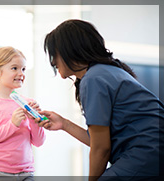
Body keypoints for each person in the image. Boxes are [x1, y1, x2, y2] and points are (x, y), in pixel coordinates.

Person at [36, 19, 164, 180]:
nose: (53, 61)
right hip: (151, 154)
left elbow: (101, 148)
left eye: (55, 53)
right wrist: (64, 124)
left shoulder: (93, 79)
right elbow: (100, 141)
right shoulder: (108, 72)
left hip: (145, 155)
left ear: (70, 50)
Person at [0, 46, 46, 181]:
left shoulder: (29, 103)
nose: (21, 73)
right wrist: (12, 124)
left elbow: (39, 142)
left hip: (27, 172)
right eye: (14, 68)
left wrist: (34, 120)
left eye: (23, 69)